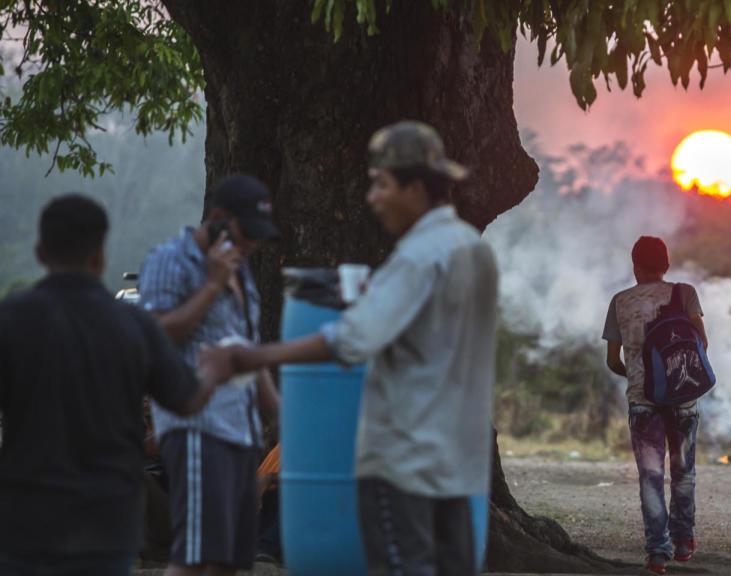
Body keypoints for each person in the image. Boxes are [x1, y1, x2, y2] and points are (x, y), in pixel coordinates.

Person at [207, 120, 498, 576]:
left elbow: (349, 339)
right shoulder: (472, 249)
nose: (371, 198)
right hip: (459, 466)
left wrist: (254, 356)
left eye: (381, 184)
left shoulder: (419, 258)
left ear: (416, 186)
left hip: (406, 467)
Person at [0, 194, 230, 576]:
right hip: (107, 521)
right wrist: (214, 368)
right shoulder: (133, 325)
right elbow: (187, 400)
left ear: (40, 253)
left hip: (27, 517)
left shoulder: (11, 320)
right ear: (100, 256)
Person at [138, 174, 281, 576]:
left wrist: (279, 412)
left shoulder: (241, 268)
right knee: (195, 555)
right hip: (197, 427)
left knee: (228, 558)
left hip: (240, 430)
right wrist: (212, 285)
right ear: (218, 218)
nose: (253, 242)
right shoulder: (172, 260)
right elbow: (157, 335)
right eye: (246, 231)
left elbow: (246, 349)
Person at [602, 236, 708, 574]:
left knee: (651, 477)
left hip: (642, 401)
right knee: (683, 472)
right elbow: (702, 341)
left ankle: (657, 554)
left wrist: (637, 375)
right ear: (666, 264)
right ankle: (683, 542)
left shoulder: (620, 302)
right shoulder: (684, 293)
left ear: (635, 266)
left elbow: (612, 360)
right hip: (683, 397)